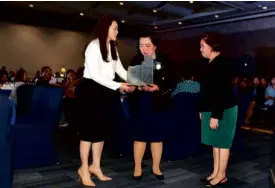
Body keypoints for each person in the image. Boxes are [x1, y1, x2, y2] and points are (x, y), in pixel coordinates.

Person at [75, 15, 135, 187]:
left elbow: (121, 70)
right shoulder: (93, 47)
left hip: (106, 91)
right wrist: (119, 86)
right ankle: (84, 169)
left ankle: (96, 166)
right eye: (115, 28)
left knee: (101, 132)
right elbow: (95, 76)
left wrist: (134, 81)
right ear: (105, 28)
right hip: (90, 91)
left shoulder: (112, 46)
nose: (117, 31)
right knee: (88, 133)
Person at [129, 33, 175, 182]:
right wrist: (138, 87)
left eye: (147, 45)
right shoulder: (135, 60)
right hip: (141, 103)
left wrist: (159, 87)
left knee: (157, 138)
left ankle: (156, 167)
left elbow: (172, 82)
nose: (144, 48)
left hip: (158, 103)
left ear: (155, 46)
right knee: (139, 138)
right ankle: (137, 168)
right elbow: (131, 83)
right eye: (141, 45)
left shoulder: (165, 61)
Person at [198, 32, 237, 187]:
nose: (200, 49)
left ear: (212, 46)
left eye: (202, 46)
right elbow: (207, 90)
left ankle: (221, 175)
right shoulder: (210, 62)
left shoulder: (222, 63)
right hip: (214, 108)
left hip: (224, 109)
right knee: (215, 142)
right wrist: (202, 109)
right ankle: (216, 172)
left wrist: (215, 115)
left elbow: (221, 92)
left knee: (223, 143)